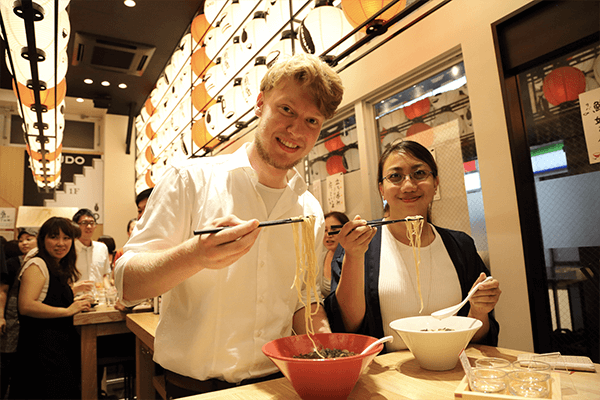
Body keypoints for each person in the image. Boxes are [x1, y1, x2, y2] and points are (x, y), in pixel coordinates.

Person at [115, 53, 344, 397]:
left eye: (312, 120)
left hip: (277, 384)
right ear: (259, 104)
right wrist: (195, 255)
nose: (297, 130)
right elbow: (127, 284)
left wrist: (328, 351)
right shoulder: (190, 180)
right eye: (287, 110)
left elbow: (304, 302)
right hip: (195, 388)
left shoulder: (308, 209)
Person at [325, 140, 501, 351]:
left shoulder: (460, 246)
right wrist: (353, 256)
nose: (408, 185)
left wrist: (480, 311)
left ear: (435, 183)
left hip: (452, 370)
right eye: (395, 176)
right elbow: (347, 326)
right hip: (388, 376)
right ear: (382, 189)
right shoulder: (362, 246)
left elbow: (478, 337)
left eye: (419, 174)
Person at [10, 217, 92, 399]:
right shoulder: (36, 264)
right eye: (54, 237)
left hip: (57, 346)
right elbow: (26, 305)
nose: (61, 243)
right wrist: (68, 310)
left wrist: (73, 291)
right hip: (41, 350)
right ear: (43, 239)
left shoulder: (56, 264)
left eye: (66, 238)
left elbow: (48, 294)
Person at [1, 228, 38, 399]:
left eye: (29, 239)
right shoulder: (12, 262)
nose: (24, 243)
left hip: (31, 316)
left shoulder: (40, 261)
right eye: (21, 240)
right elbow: (3, 290)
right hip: (12, 313)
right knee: (8, 357)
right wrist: (0, 315)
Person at [72, 209, 111, 289]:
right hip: (77, 298)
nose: (89, 226)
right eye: (84, 223)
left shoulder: (102, 248)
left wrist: (110, 292)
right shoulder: (69, 249)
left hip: (98, 298)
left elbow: (103, 276)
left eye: (91, 223)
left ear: (95, 226)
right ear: (75, 226)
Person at [321, 212, 349, 297]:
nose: (328, 234)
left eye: (334, 230)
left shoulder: (352, 257)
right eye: (325, 230)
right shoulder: (320, 258)